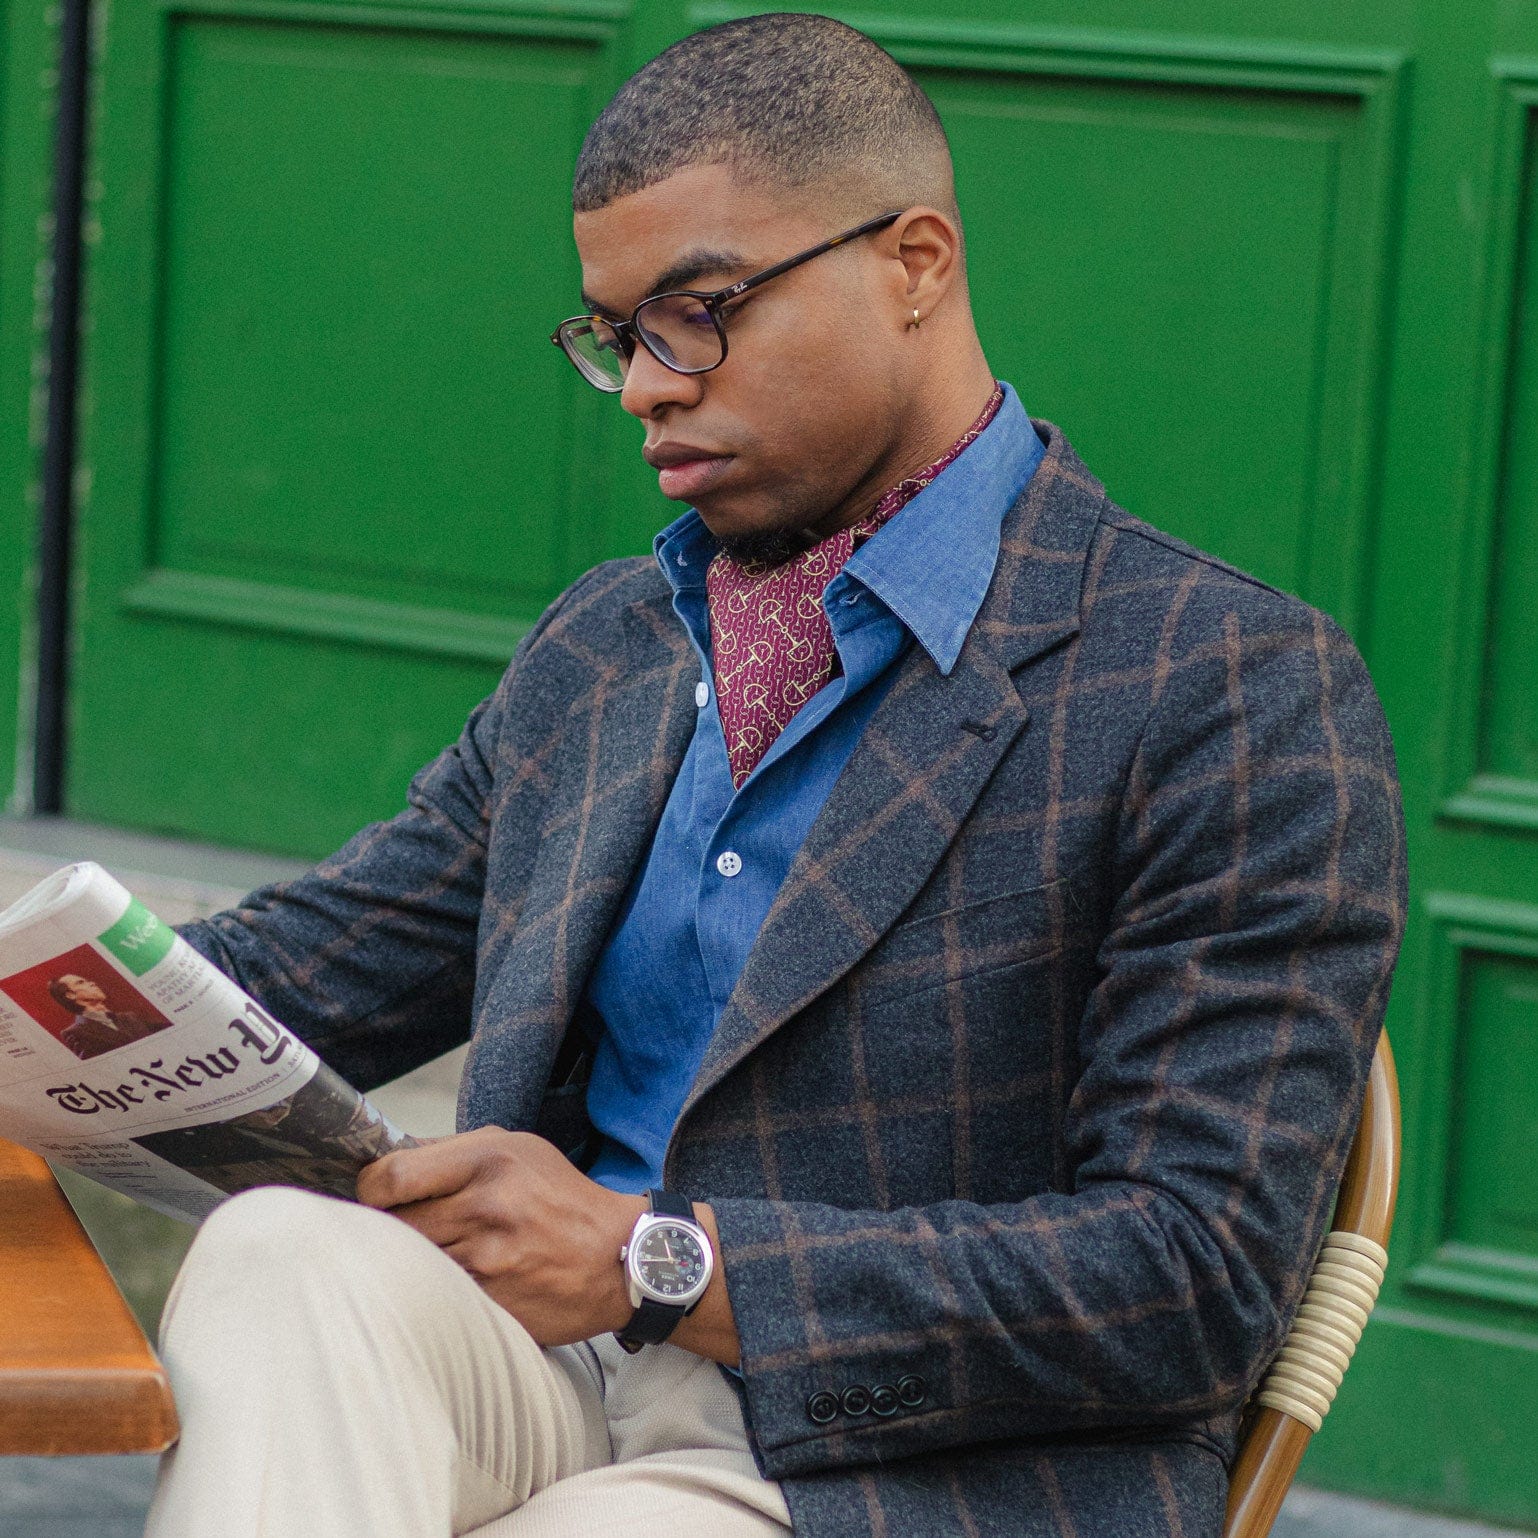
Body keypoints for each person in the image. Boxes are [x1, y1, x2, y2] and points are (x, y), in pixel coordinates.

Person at [145, 13, 1407, 1538]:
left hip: (901, 1469)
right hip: (540, 1368)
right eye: (617, 333)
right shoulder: (609, 645)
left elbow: (1190, 1275)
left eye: (700, 312)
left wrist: (657, 1259)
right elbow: (306, 969)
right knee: (283, 1250)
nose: (645, 388)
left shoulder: (1225, 685)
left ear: (915, 262)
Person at [47, 972, 160, 1059]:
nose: (92, 983)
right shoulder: (75, 1033)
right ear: (70, 995)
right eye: (81, 982)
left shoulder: (130, 1017)